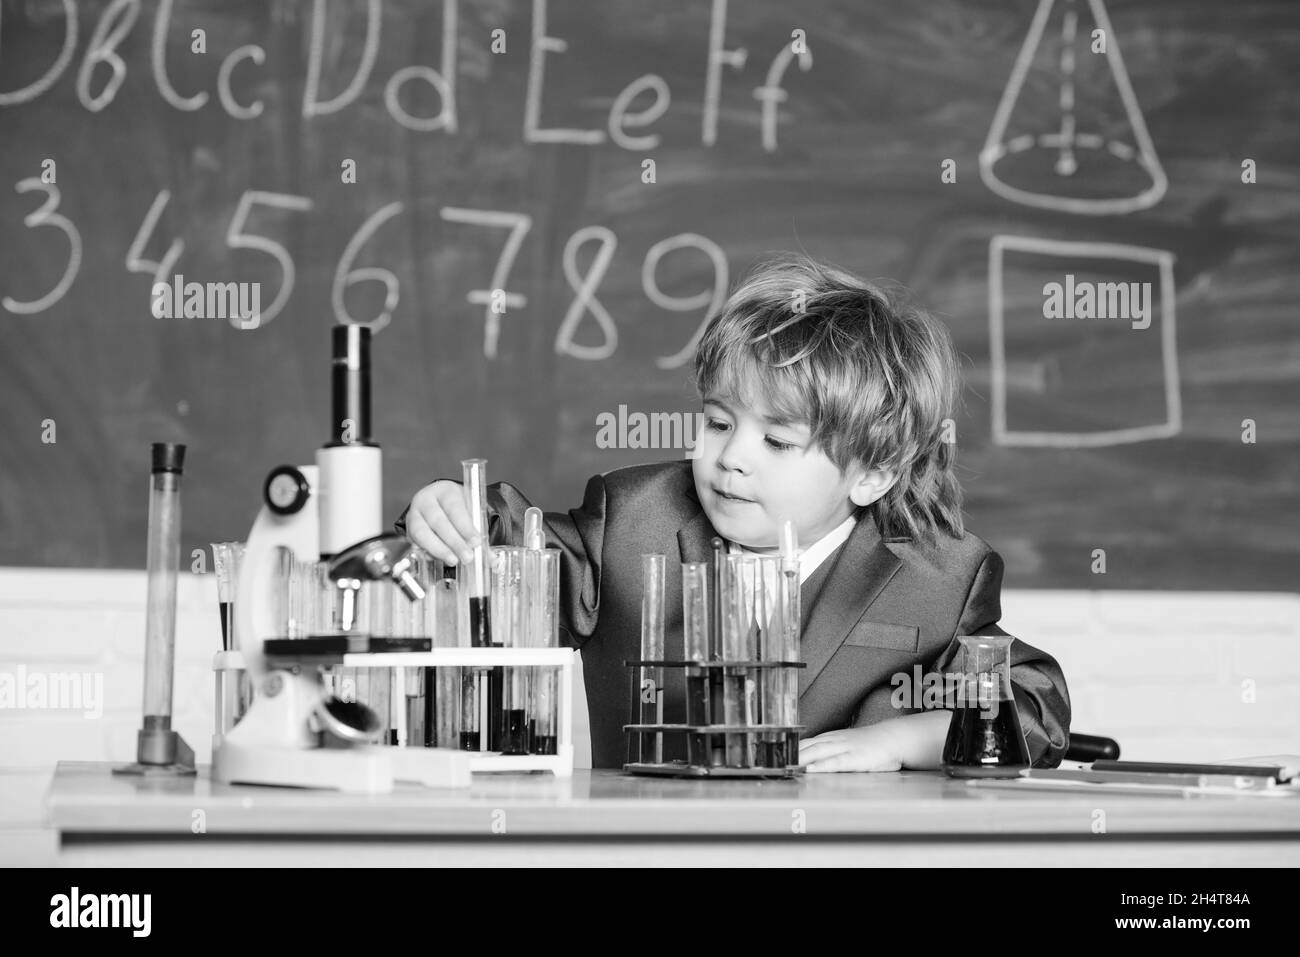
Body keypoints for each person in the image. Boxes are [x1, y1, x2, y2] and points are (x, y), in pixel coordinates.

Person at [397, 255, 1071, 772]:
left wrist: (899, 740)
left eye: (777, 441)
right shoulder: (632, 522)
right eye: (719, 422)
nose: (731, 458)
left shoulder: (938, 575)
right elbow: (505, 551)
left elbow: (1034, 707)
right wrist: (446, 518)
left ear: (873, 472)